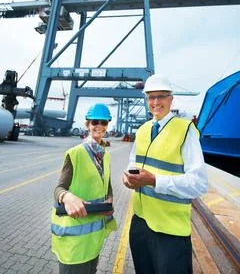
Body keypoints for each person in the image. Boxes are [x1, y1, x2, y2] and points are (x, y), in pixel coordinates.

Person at [123, 74, 208, 274]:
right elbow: (132, 162)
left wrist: (155, 181)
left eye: (161, 96)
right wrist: (128, 177)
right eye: (151, 97)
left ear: (171, 99)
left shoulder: (185, 130)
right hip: (140, 224)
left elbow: (199, 183)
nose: (156, 102)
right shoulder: (143, 130)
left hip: (170, 231)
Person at [51, 103, 116, 274]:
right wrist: (68, 197)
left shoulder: (105, 154)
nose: (100, 126)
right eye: (95, 122)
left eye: (104, 122)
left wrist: (109, 200)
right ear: (88, 124)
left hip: (93, 239)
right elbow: (59, 188)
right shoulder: (76, 153)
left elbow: (106, 184)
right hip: (74, 242)